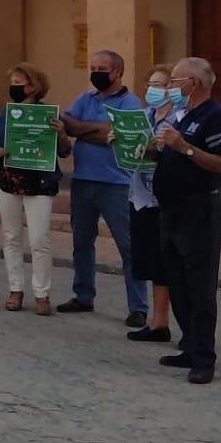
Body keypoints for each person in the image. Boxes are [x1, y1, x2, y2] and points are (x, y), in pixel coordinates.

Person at [151, 57, 221, 385]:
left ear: (193, 83)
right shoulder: (181, 114)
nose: (170, 87)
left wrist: (185, 148)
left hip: (198, 210)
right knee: (178, 281)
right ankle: (188, 344)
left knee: (199, 286)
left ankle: (203, 358)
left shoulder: (216, 116)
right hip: (170, 209)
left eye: (175, 81)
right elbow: (171, 154)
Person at [60, 49, 149, 323]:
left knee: (129, 246)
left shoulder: (130, 103)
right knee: (81, 242)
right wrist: (99, 130)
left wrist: (82, 129)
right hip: (83, 181)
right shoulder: (84, 98)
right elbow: (67, 124)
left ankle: (138, 307)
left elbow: (120, 136)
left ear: (118, 72)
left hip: (117, 184)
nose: (96, 73)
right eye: (93, 68)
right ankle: (83, 295)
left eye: (102, 69)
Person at [0, 63, 72, 314]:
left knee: (39, 239)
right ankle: (15, 289)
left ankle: (42, 293)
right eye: (12, 83)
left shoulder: (49, 115)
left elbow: (65, 151)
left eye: (18, 83)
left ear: (33, 87)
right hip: (8, 181)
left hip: (40, 183)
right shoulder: (1, 115)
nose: (13, 87)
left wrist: (61, 133)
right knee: (11, 237)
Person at [125, 66, 178, 344]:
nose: (153, 89)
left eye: (160, 84)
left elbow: (177, 153)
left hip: (164, 198)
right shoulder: (143, 115)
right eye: (150, 84)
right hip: (140, 196)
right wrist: (118, 141)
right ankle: (156, 322)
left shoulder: (177, 117)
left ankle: (162, 322)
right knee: (147, 259)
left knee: (163, 262)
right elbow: (131, 150)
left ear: (171, 88)